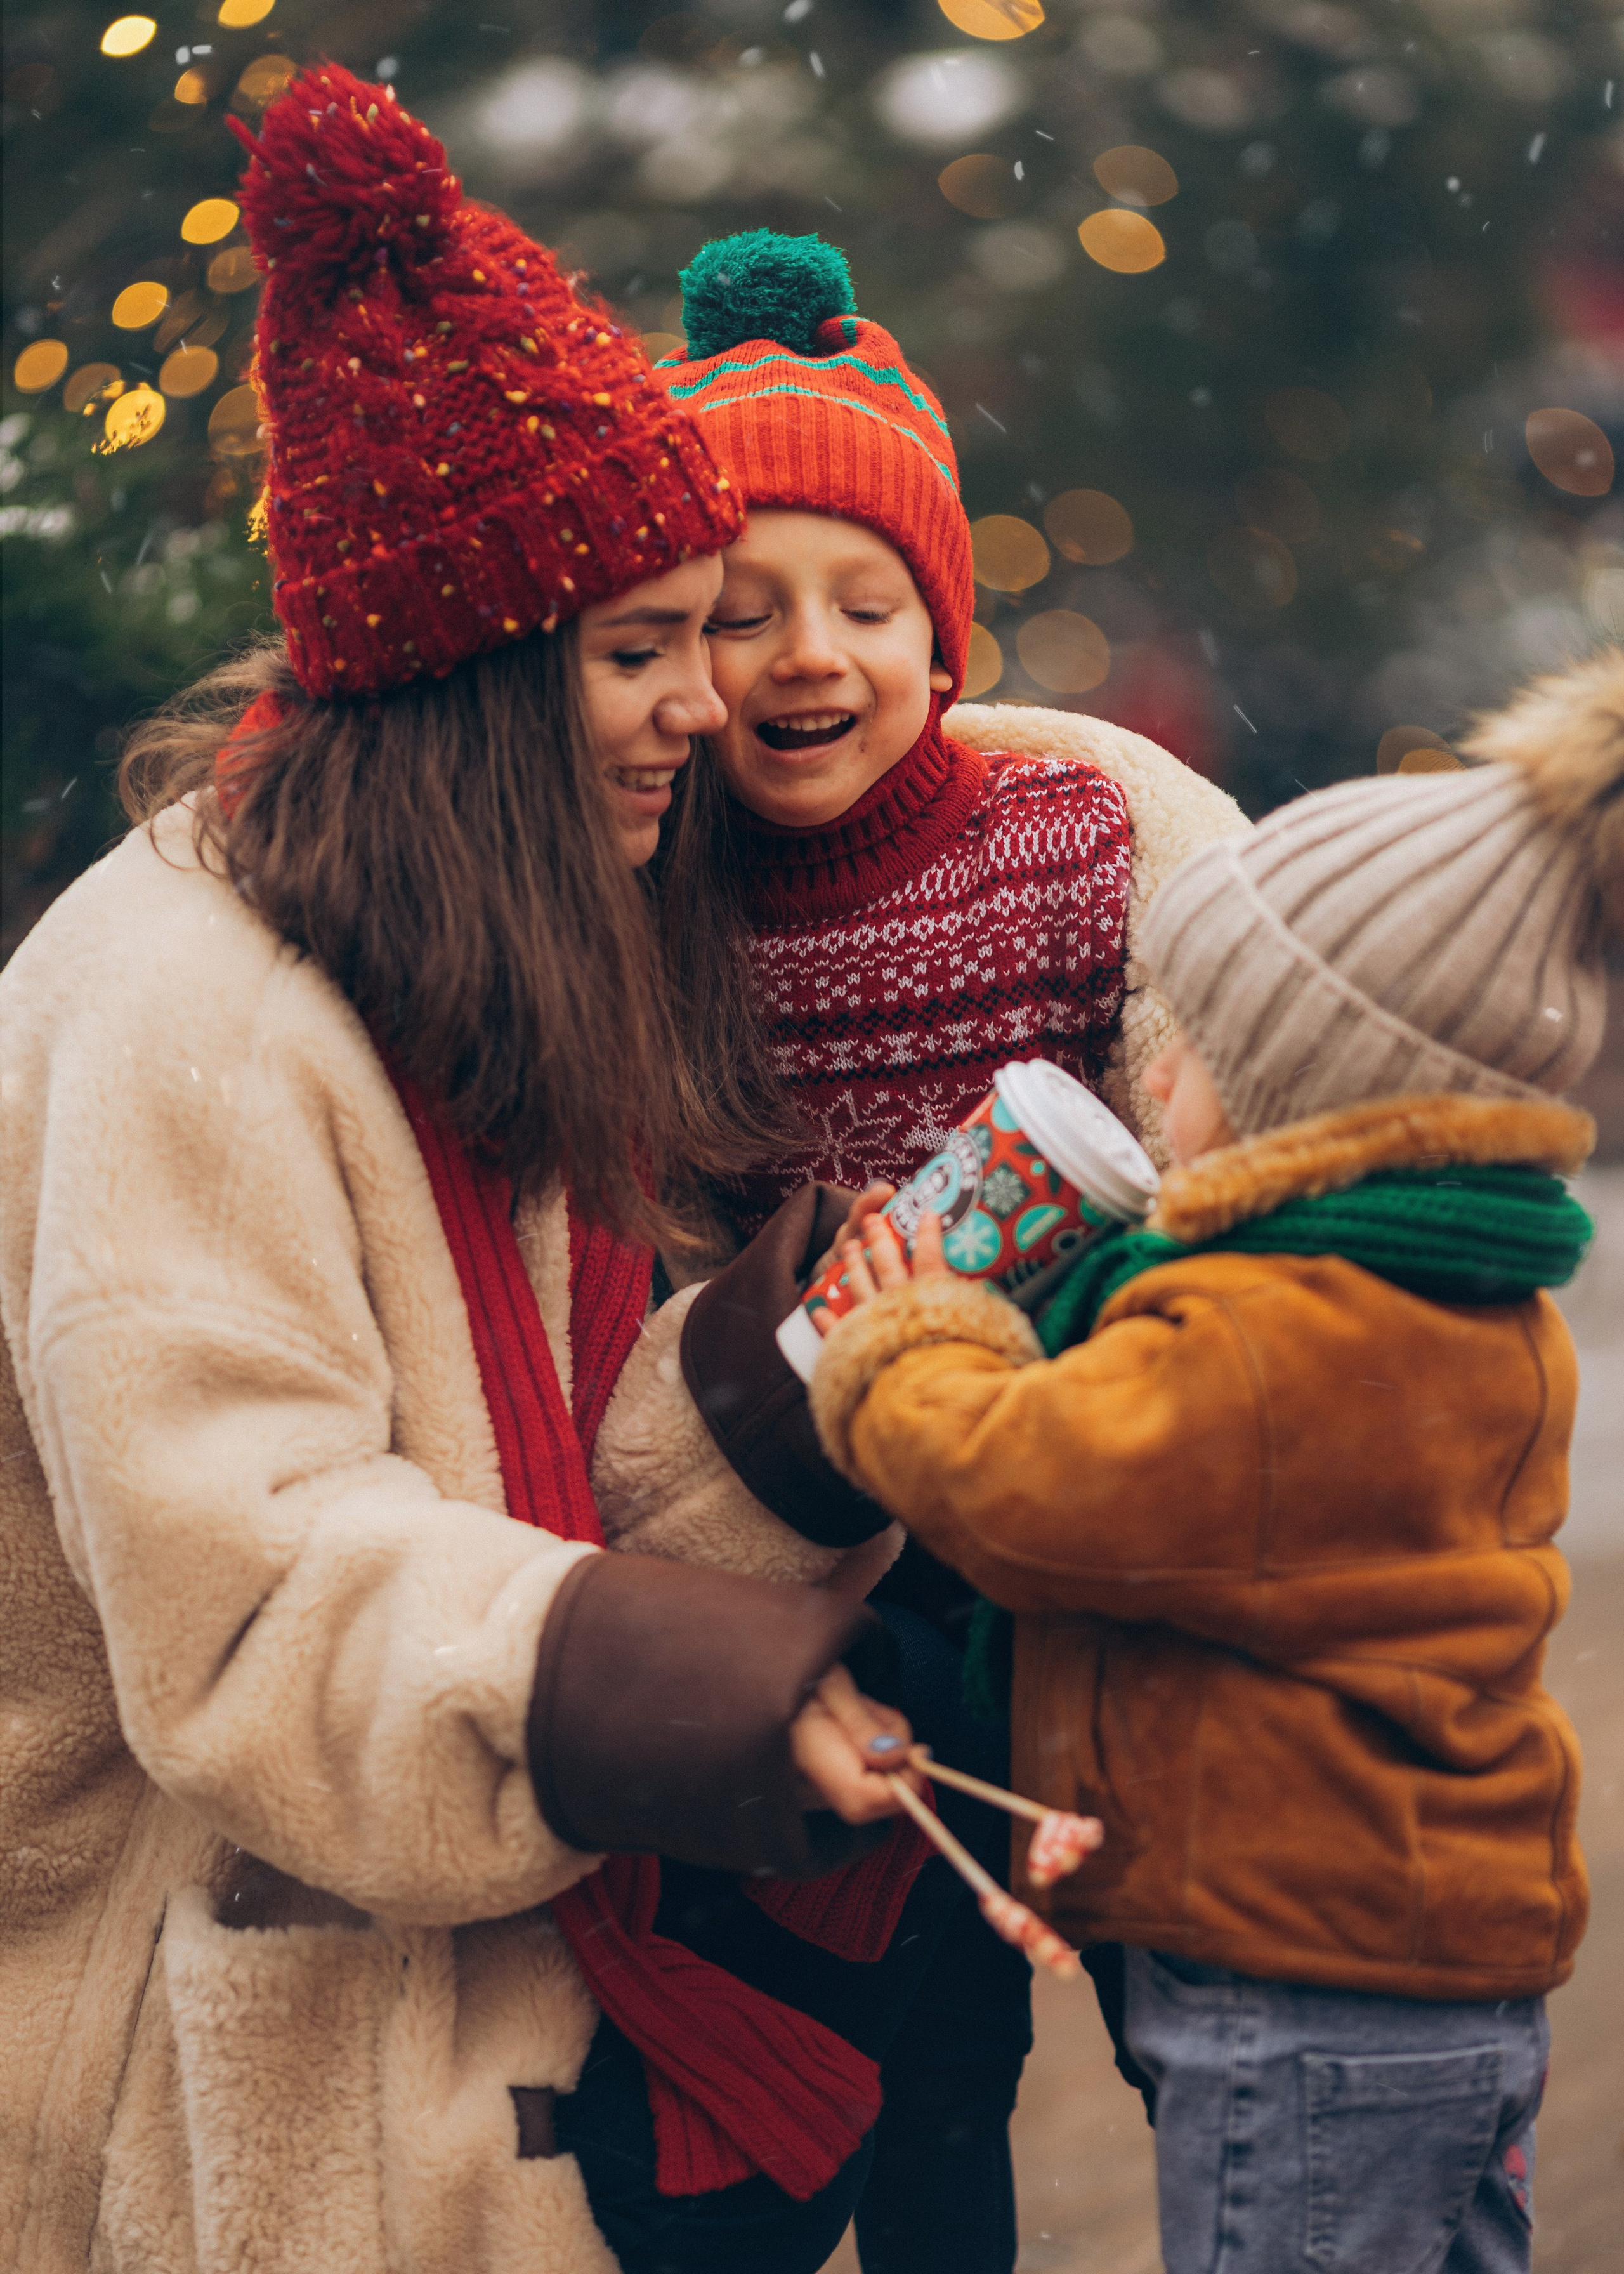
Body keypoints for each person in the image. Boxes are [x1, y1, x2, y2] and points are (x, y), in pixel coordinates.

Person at [0, 68, 937, 2274]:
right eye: (636, 651)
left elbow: (518, 1492)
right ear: (469, 692)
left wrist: (777, 1400)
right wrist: (671, 1686)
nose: (701, 704)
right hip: (218, 2064)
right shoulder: (196, 1015)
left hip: (431, 2000)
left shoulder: (467, 957)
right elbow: (254, 1600)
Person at [801, 648, 1623, 2274]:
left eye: (1192, 1049)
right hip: (1431, 1953)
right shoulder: (1452, 1289)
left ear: (1294, 1104)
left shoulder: (1272, 1329)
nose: (1151, 1071)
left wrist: (913, 1339)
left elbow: (1039, 1491)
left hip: (1302, 1979)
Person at [653, 228, 1245, 2264]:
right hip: (806, 1529)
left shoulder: (1062, 834)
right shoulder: (657, 894)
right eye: (743, 617)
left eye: (866, 603)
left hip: (1045, 1489)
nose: (810, 653)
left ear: (943, 631)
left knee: (1020, 2013)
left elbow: (1184, 1082)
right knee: (866, 1987)